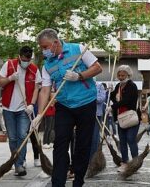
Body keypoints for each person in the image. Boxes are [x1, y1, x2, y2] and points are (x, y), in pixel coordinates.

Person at [31, 28, 102, 187]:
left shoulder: (78, 49)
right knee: (60, 144)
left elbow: (98, 68)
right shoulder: (47, 65)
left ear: (55, 43)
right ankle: (58, 182)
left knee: (83, 144)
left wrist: (80, 76)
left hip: (86, 102)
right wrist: (39, 114)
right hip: (64, 105)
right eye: (41, 47)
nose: (44, 51)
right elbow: (45, 90)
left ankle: (78, 180)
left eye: (45, 47)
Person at [0, 45, 41, 176]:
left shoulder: (34, 69)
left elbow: (36, 88)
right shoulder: (9, 64)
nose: (26, 62)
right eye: (24, 59)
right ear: (19, 56)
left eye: (28, 60)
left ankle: (19, 165)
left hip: (24, 108)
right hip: (8, 108)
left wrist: (32, 104)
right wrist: (10, 78)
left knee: (22, 136)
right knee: (12, 137)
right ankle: (16, 162)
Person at [110, 65, 140, 173]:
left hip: (131, 117)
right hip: (120, 118)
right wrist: (110, 92)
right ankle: (125, 162)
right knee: (122, 141)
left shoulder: (132, 86)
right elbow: (113, 98)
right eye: (119, 75)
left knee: (131, 139)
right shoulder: (118, 85)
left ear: (128, 75)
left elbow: (127, 100)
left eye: (123, 75)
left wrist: (113, 107)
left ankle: (135, 162)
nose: (121, 77)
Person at [89, 81, 106, 160]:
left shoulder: (99, 86)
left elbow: (102, 98)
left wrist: (91, 98)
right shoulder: (84, 84)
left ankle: (94, 158)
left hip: (97, 113)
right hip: (85, 114)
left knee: (95, 136)